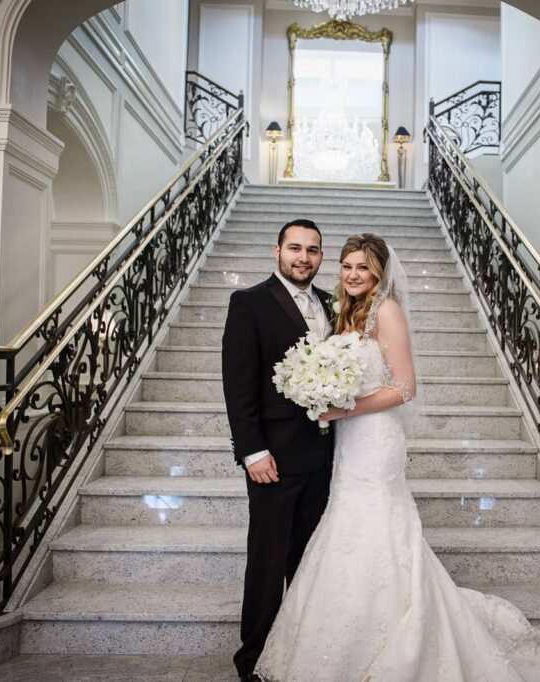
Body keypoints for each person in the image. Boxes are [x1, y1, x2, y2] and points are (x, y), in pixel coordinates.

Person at [254, 233, 540, 681]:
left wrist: (346, 407)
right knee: (344, 521)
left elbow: (404, 387)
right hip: (347, 440)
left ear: (379, 272)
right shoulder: (343, 312)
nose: (353, 274)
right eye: (346, 266)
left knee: (378, 523)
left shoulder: (387, 311)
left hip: (375, 437)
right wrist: (323, 392)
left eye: (363, 267)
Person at [221, 218, 335, 682]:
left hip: (326, 458)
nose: (303, 257)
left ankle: (301, 654)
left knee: (309, 563)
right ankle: (254, 660)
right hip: (274, 460)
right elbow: (239, 384)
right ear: (277, 251)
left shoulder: (333, 303)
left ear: (321, 257)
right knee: (268, 563)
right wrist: (252, 452)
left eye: (312, 250)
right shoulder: (248, 302)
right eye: (295, 248)